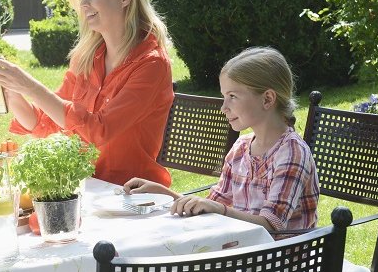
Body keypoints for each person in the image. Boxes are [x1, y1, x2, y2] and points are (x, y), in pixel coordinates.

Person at [0, 0, 174, 187]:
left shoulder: (151, 64)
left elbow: (99, 131)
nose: (84, 4)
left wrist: (31, 86)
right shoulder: (87, 58)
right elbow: (46, 123)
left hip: (130, 195)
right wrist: (14, 92)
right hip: (84, 188)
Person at [124, 46, 319, 236]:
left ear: (267, 99)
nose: (223, 107)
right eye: (224, 97)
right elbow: (213, 204)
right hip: (247, 253)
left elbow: (271, 226)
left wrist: (219, 210)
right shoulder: (241, 148)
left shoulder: (292, 152)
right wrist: (164, 194)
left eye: (232, 96)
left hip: (284, 263)